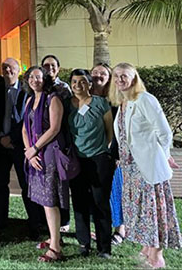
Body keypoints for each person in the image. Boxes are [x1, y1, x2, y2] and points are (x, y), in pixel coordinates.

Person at [109, 63, 181, 268]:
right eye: (116, 76)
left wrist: (164, 156)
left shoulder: (145, 99)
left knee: (154, 212)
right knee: (139, 211)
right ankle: (146, 250)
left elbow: (165, 132)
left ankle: (157, 257)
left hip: (146, 167)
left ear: (134, 78)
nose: (120, 80)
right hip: (130, 169)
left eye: (125, 76)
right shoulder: (123, 102)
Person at [22, 66, 69, 262]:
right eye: (31, 77)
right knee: (44, 199)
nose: (35, 80)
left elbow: (55, 128)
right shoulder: (30, 100)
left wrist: (35, 148)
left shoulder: (52, 99)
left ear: (45, 79)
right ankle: (53, 238)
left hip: (49, 152)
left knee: (51, 200)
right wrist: (29, 153)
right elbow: (25, 128)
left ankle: (56, 248)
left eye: (38, 77)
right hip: (35, 153)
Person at [67, 69, 115, 258]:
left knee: (100, 202)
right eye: (74, 82)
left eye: (82, 82)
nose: (78, 85)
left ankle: (104, 247)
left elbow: (109, 130)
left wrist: (106, 151)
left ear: (89, 84)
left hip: (98, 158)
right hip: (76, 160)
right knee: (79, 201)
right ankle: (83, 243)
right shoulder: (66, 105)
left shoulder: (101, 103)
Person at [0, 58, 41, 239]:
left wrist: (11, 138)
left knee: (26, 185)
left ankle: (35, 224)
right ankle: (1, 221)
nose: (7, 71)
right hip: (0, 145)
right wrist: (0, 138)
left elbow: (25, 119)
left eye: (11, 68)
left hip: (21, 145)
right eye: (4, 68)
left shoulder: (27, 91)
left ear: (19, 70)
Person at [91, 63, 125, 245]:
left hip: (113, 153)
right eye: (95, 72)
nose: (98, 75)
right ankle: (100, 228)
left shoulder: (116, 99)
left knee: (115, 190)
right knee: (98, 193)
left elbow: (121, 128)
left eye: (103, 73)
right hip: (93, 153)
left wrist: (117, 152)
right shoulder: (87, 97)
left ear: (109, 76)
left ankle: (120, 230)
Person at [41, 54, 71, 232]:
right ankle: (49, 221)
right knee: (48, 185)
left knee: (61, 185)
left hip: (59, 140)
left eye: (53, 65)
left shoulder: (63, 88)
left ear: (58, 68)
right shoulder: (40, 86)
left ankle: (65, 221)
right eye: (46, 65)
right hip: (44, 143)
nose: (49, 68)